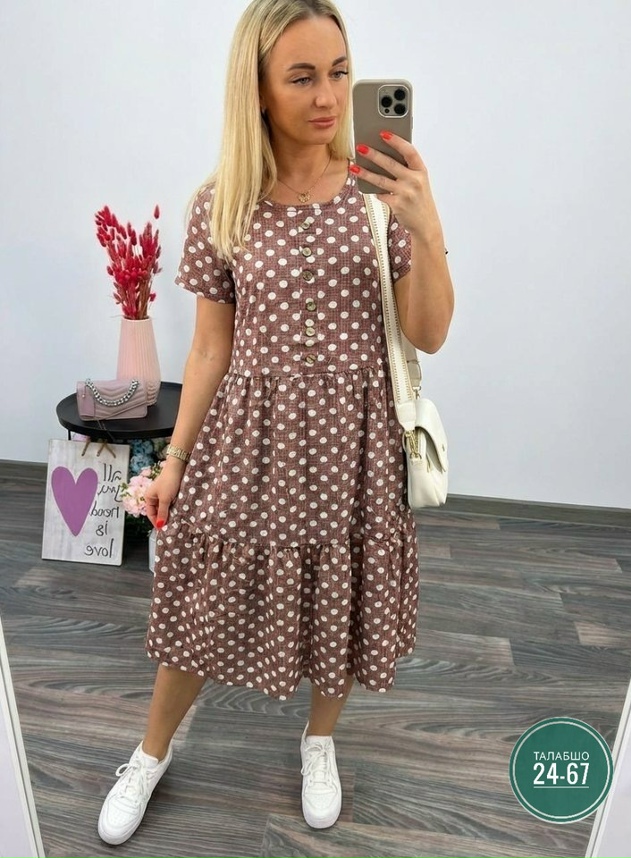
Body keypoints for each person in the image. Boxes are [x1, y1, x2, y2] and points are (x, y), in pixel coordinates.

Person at [97, 0, 454, 845]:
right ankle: (150, 752)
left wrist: (426, 221)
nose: (328, 96)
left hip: (356, 441)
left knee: (343, 586)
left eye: (339, 72)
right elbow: (210, 348)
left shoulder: (381, 190)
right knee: (206, 591)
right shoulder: (219, 202)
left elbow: (430, 332)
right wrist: (174, 461)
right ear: (256, 89)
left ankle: (319, 740)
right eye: (301, 77)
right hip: (249, 441)